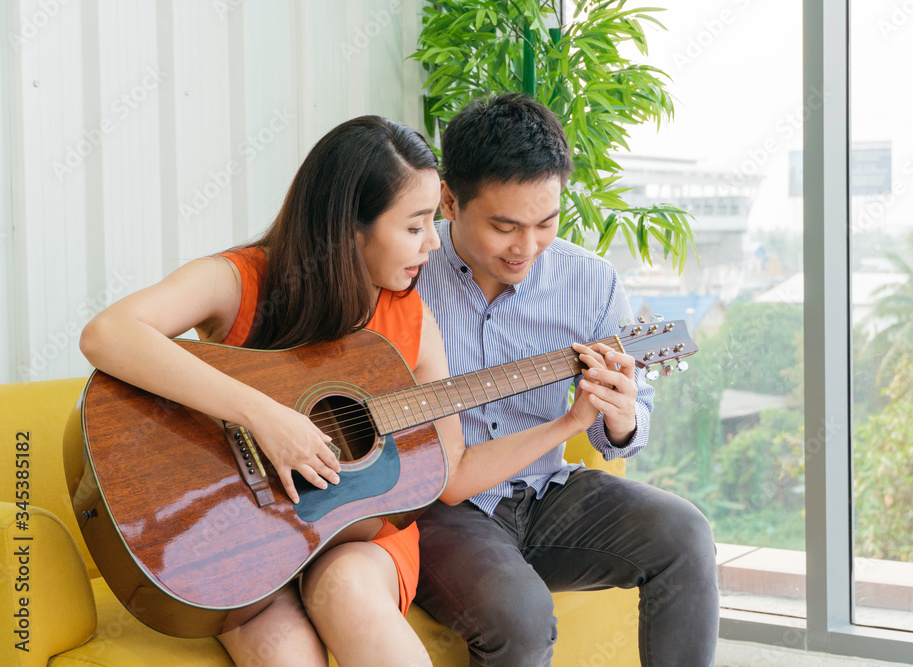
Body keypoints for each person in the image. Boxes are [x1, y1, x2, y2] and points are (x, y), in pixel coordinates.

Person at [79, 116, 618, 667]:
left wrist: (571, 423)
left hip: (358, 540)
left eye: (432, 221)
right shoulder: (241, 280)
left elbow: (452, 476)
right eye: (414, 227)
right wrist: (267, 417)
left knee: (351, 596)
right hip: (242, 537)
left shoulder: (414, 322)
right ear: (349, 227)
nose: (434, 241)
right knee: (286, 655)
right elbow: (108, 334)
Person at [414, 93, 720, 667]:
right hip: (444, 508)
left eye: (545, 222)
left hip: (548, 493)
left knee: (685, 536)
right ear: (449, 201)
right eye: (504, 226)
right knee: (519, 615)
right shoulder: (406, 275)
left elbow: (625, 428)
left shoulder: (593, 282)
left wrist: (621, 416)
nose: (526, 248)